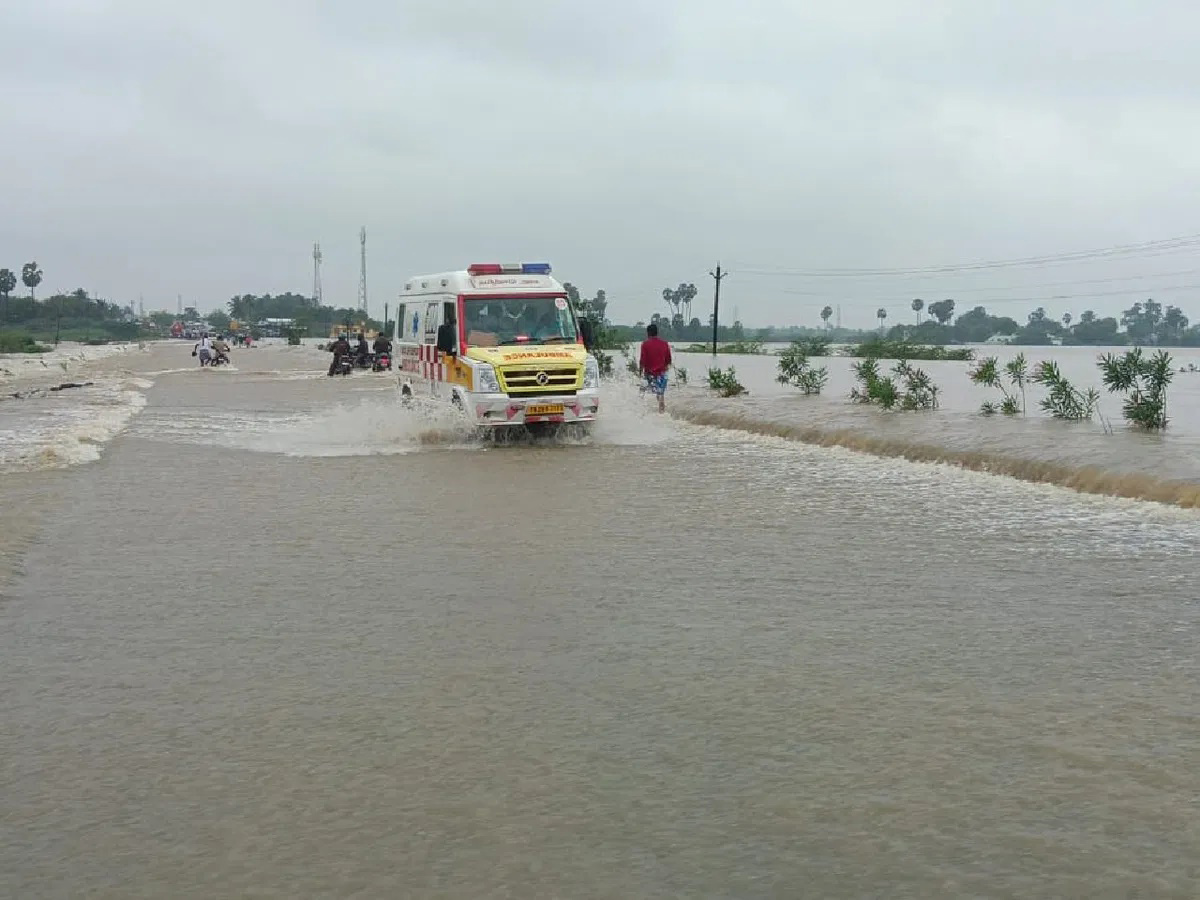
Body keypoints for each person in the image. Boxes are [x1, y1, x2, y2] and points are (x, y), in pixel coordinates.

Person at [638, 323, 672, 413]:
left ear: (648, 333)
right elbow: (669, 361)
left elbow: (642, 361)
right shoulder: (665, 344)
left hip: (650, 374)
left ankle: (639, 411)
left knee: (642, 391)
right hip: (662, 375)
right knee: (660, 395)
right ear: (657, 333)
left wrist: (640, 373)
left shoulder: (645, 344)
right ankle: (662, 412)